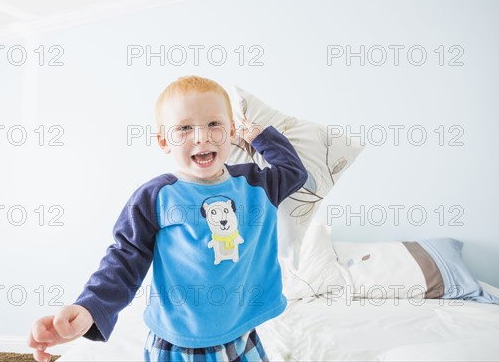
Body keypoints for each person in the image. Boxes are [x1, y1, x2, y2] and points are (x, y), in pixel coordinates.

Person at [28, 75, 308, 362]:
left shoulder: (255, 185)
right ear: (164, 141)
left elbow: (294, 172)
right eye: (184, 128)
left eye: (214, 124)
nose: (201, 136)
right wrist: (91, 307)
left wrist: (259, 136)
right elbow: (125, 258)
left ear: (231, 131)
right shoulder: (157, 196)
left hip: (242, 332)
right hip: (179, 342)